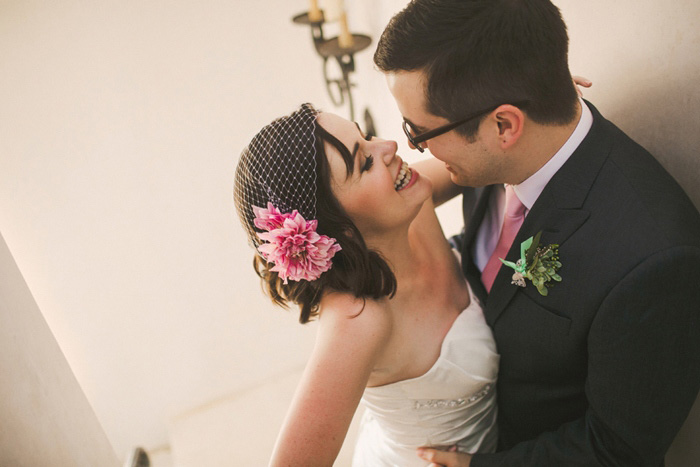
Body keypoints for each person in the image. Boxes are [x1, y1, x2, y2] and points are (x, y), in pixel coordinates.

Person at [373, 0, 700, 466]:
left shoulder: (655, 258)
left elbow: (619, 450)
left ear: (504, 125)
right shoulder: (500, 150)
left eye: (418, 131)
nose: (413, 146)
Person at [233, 103, 500, 466]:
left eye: (365, 136)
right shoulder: (358, 319)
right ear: (338, 227)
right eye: (365, 162)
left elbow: (489, 152)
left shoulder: (408, 201)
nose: (388, 145)